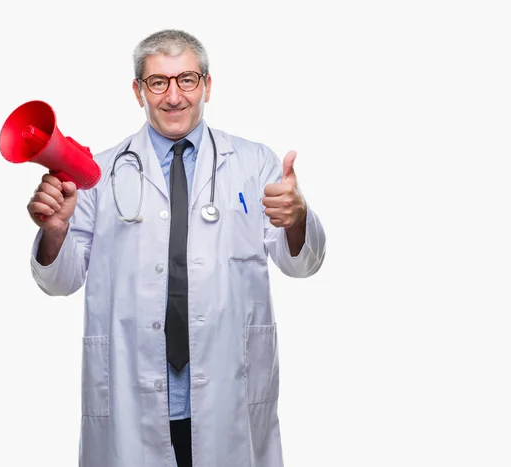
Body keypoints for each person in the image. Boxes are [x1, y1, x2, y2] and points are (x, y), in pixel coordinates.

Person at [27, 29, 326, 467]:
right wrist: (55, 230)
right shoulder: (99, 173)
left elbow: (299, 265)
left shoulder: (253, 163)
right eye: (158, 82)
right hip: (132, 393)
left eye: (186, 79)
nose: (173, 96)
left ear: (207, 85)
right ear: (138, 91)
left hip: (228, 389)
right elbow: (61, 281)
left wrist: (297, 218)